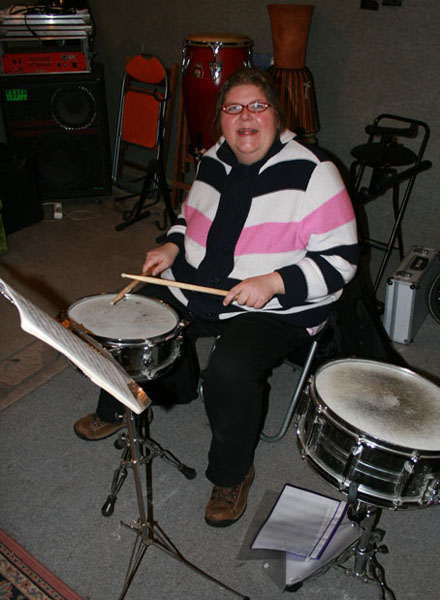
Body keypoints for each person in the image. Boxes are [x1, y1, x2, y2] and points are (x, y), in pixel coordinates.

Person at [74, 66, 359, 527]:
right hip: (198, 283)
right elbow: (189, 218)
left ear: (276, 115)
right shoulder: (212, 158)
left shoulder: (315, 171)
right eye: (233, 108)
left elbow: (342, 258)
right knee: (128, 316)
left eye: (257, 106)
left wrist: (275, 281)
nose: (245, 116)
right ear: (221, 118)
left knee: (230, 369)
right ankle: (122, 403)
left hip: (277, 304)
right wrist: (172, 246)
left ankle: (232, 474)